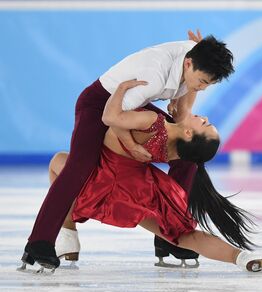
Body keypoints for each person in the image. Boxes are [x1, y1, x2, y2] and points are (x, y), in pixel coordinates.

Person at [19, 80, 262, 274]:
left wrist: (120, 90)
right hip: (140, 192)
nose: (205, 117)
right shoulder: (175, 149)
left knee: (58, 163)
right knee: (185, 236)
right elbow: (184, 110)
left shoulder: (151, 122)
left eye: (205, 124)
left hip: (102, 184)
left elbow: (110, 117)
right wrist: (193, 84)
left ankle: (68, 234)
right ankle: (241, 257)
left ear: (189, 133)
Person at [22, 31, 231, 269]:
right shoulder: (154, 75)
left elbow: (183, 114)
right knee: (79, 168)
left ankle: (170, 234)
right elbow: (113, 117)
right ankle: (39, 240)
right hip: (100, 105)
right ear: (188, 63)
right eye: (202, 81)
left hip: (128, 105)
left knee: (186, 156)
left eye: (208, 84)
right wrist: (131, 146)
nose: (202, 87)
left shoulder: (196, 57)